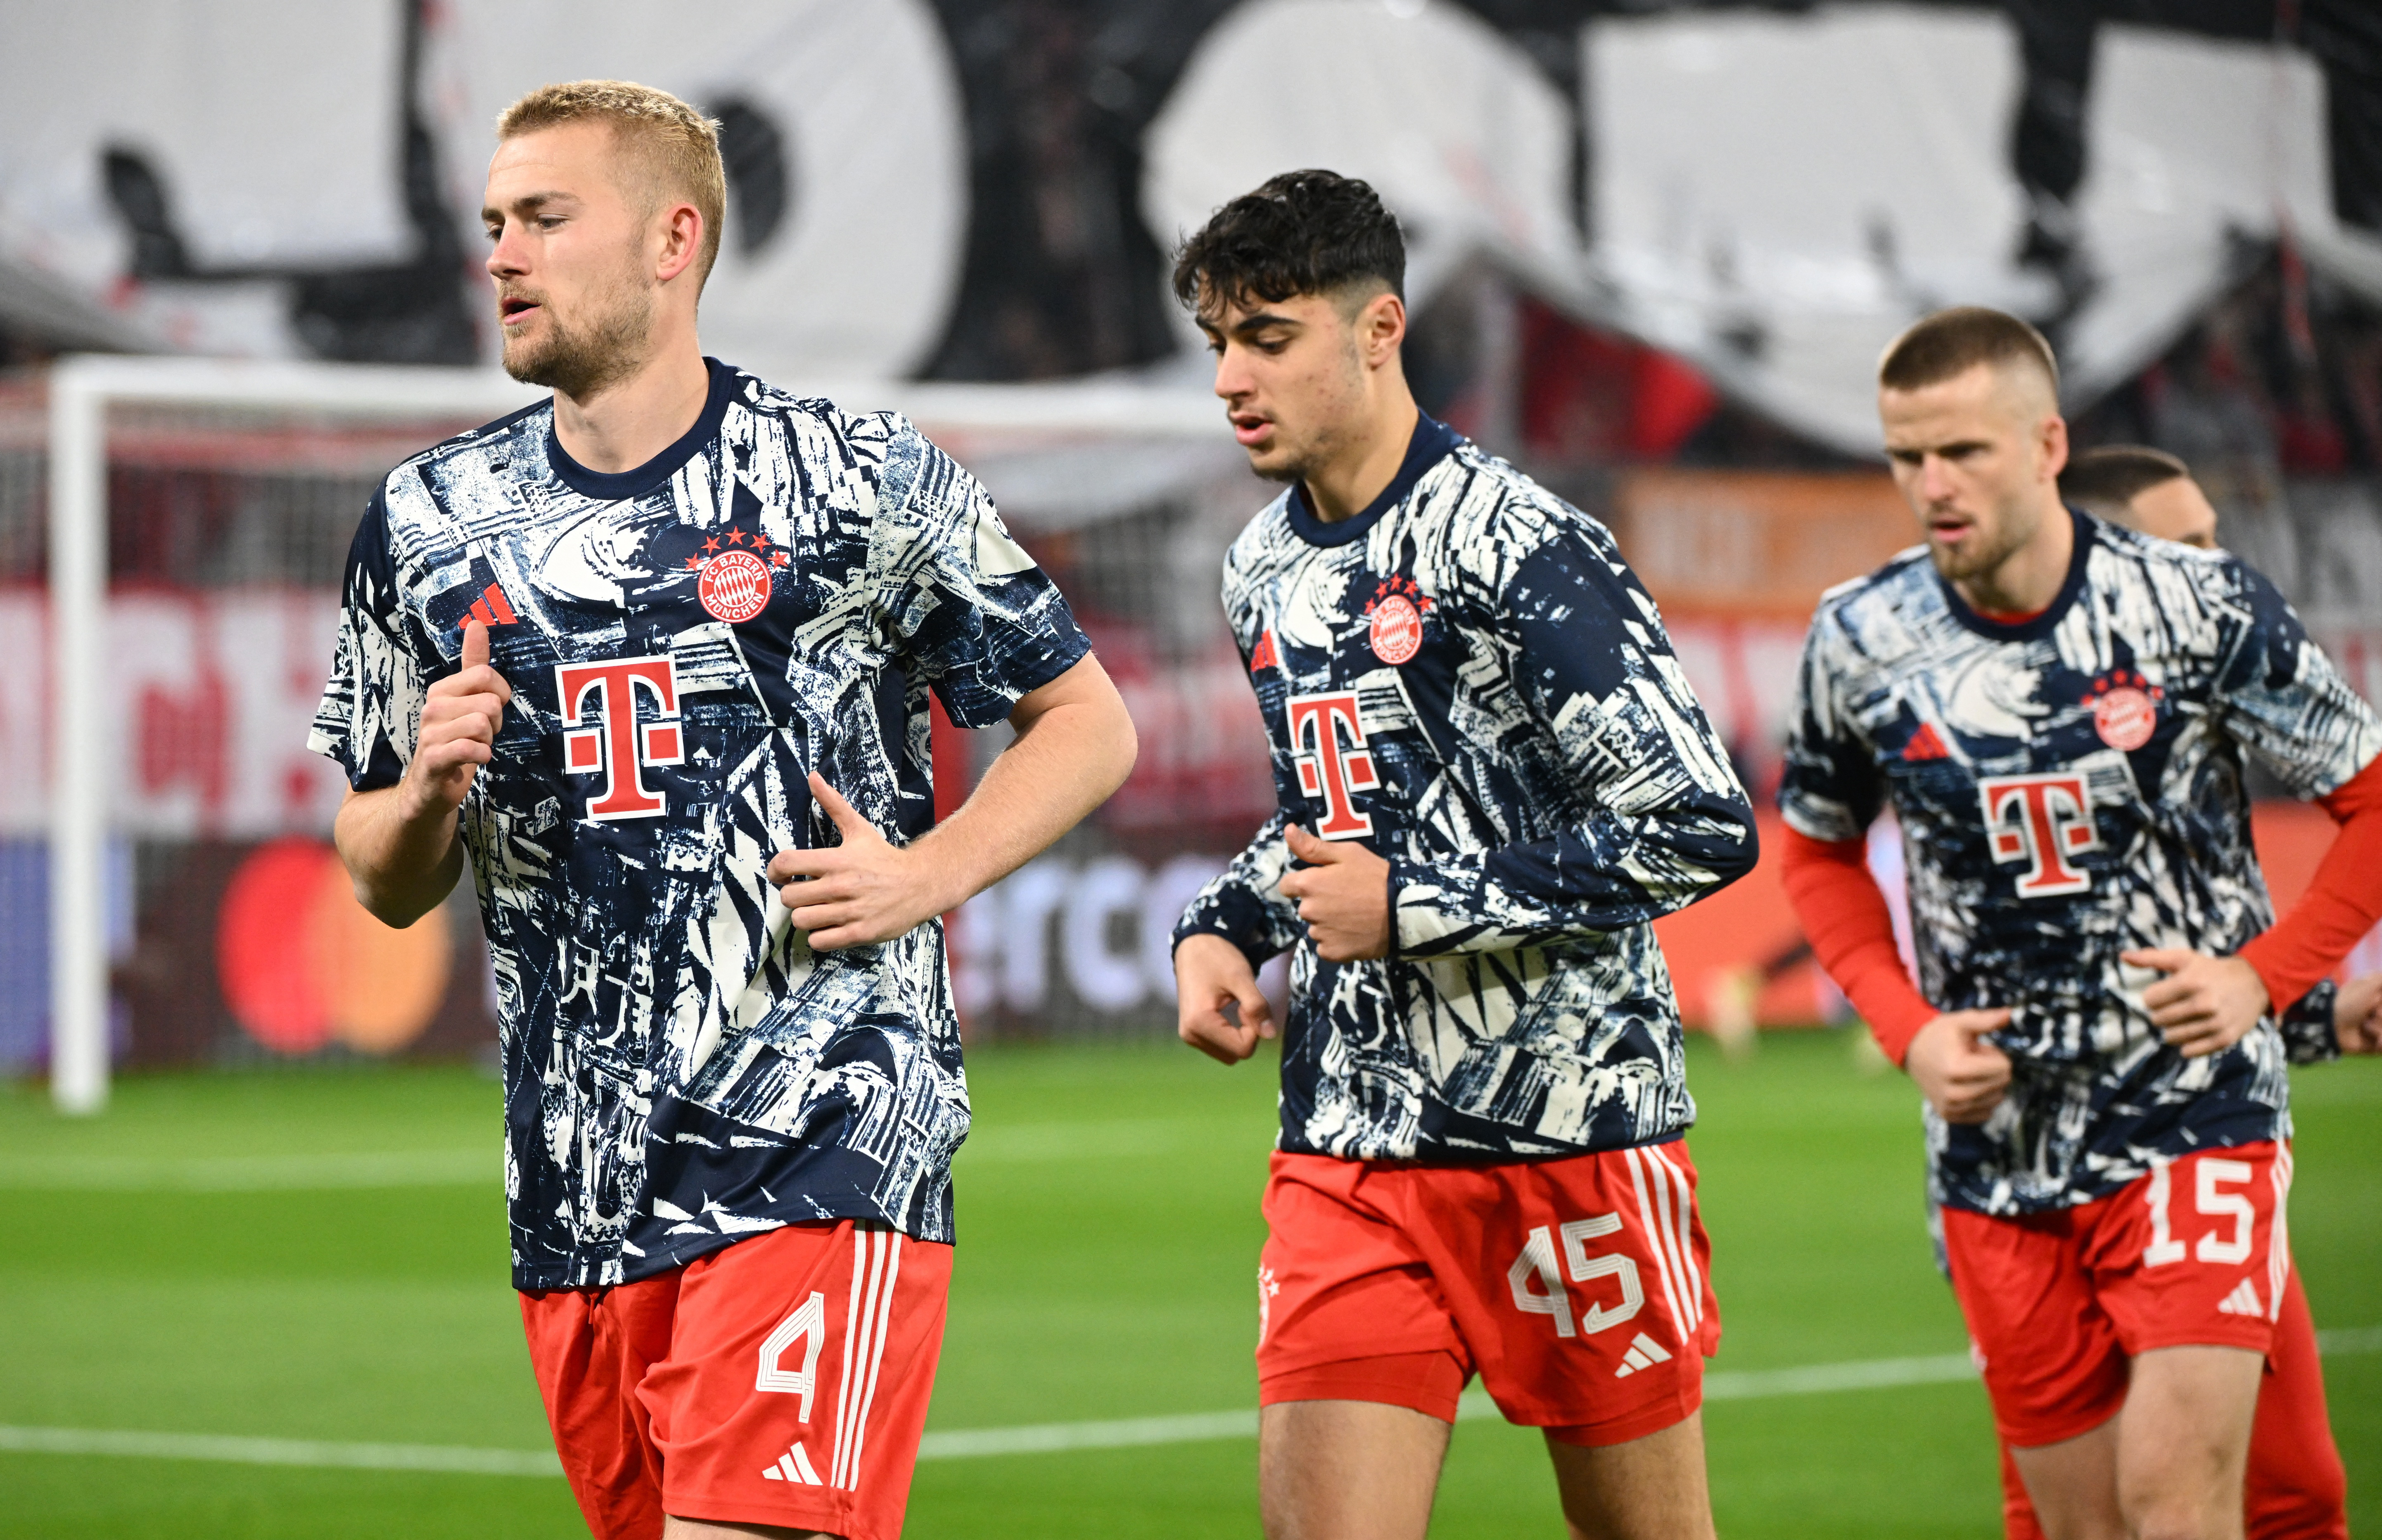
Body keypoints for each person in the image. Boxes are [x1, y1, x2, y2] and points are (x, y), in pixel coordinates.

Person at [309, 80, 1135, 1540]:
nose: (501, 252)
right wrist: (429, 790)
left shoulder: (854, 476)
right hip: (577, 1185)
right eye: (494, 222)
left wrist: (925, 877)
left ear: (671, 238)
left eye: (546, 219)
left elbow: (1086, 720)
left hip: (822, 1127)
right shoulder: (429, 523)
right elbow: (376, 870)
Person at [1167, 170, 1757, 1540]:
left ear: (1380, 330)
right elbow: (1331, 817)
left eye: (1270, 337)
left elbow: (1699, 818)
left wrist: (1417, 907)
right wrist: (1223, 923)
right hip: (1351, 1145)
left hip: (1571, 1137)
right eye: (1219, 344)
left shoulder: (1523, 543)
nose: (1230, 380)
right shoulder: (1260, 566)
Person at [1777, 306, 2382, 1540]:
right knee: (2083, 1524)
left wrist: (2266, 980)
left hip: (2191, 1117)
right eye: (1906, 457)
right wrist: (1907, 1031)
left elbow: (2371, 798)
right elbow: (1819, 852)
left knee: (2182, 1495)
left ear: (2049, 443)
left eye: (1964, 452)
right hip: (1996, 1151)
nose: (1932, 486)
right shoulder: (1861, 634)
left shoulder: (2192, 604)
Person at [1961, 444, 2382, 1540]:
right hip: (2042, 1172)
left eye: (2216, 539)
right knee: (2075, 1511)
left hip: (2205, 1150)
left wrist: (2296, 998)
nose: (2221, 569)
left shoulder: (2191, 691)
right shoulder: (1986, 717)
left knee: (2295, 1493)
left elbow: (2175, 955)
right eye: (2187, 544)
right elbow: (2070, 984)